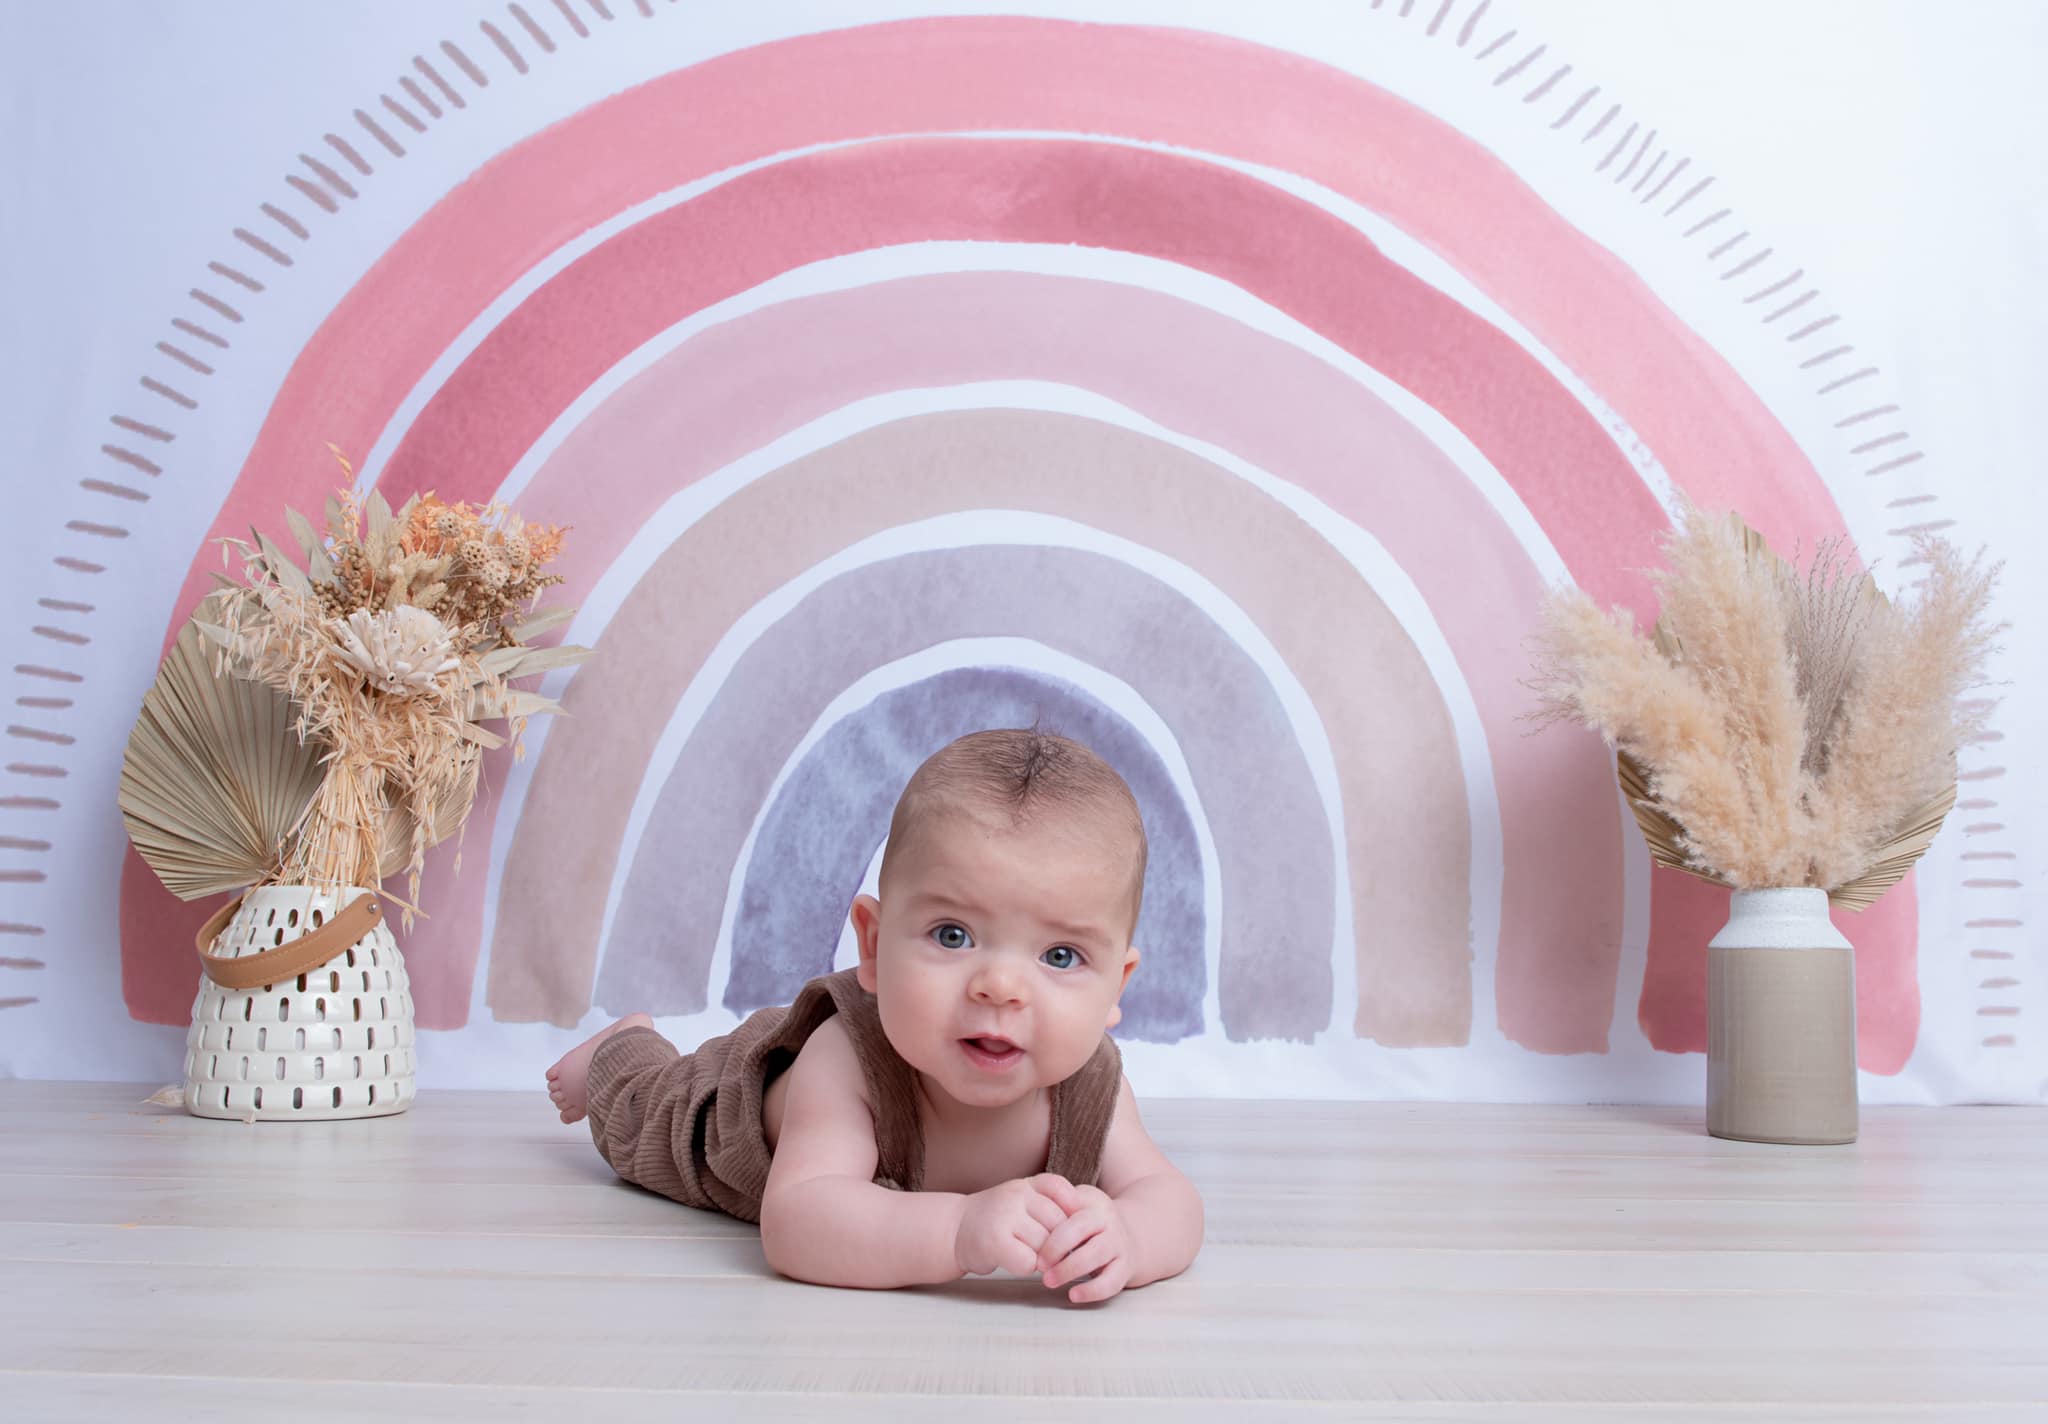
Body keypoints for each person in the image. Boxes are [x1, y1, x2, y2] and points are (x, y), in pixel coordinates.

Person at [545, 727, 1204, 1303]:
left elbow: (1171, 1199)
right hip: (724, 1106)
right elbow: (798, 1225)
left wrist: (1132, 1239)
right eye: (952, 936)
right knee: (642, 1117)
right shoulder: (845, 1064)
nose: (1001, 987)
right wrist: (957, 1231)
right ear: (874, 944)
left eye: (1060, 955)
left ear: (1116, 986)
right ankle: (623, 1045)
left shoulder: (1091, 1085)